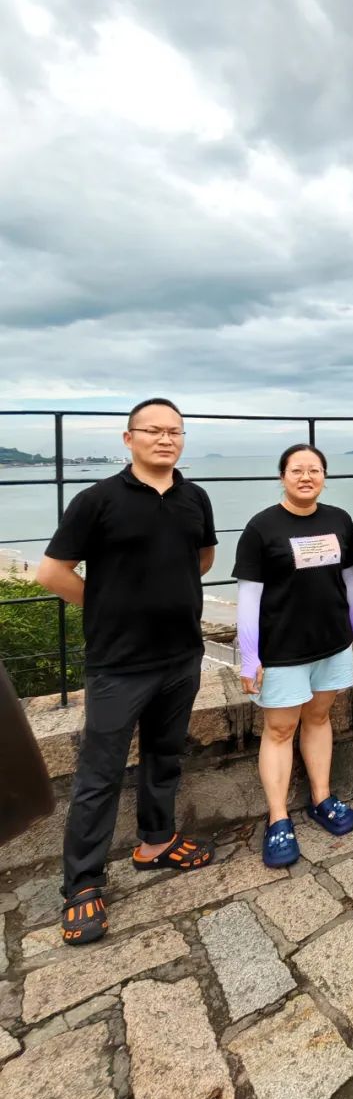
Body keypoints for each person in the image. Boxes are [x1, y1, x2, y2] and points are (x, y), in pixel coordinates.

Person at [36, 398, 217, 946]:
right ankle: (82, 884)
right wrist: (106, 607)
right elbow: (52, 572)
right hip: (119, 662)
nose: (165, 439)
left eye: (175, 431)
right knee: (100, 773)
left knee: (165, 756)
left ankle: (156, 841)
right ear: (128, 438)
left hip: (181, 654)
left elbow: (203, 558)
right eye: (153, 430)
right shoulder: (97, 500)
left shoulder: (195, 497)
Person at [233, 444, 353, 867]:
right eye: (297, 470)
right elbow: (249, 596)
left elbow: (351, 579)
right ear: (282, 476)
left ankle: (321, 798)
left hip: (331, 642)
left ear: (324, 476)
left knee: (319, 717)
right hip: (282, 649)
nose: (306, 477)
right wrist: (249, 656)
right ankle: (277, 818)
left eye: (314, 470)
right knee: (279, 729)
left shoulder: (339, 520)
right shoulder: (261, 528)